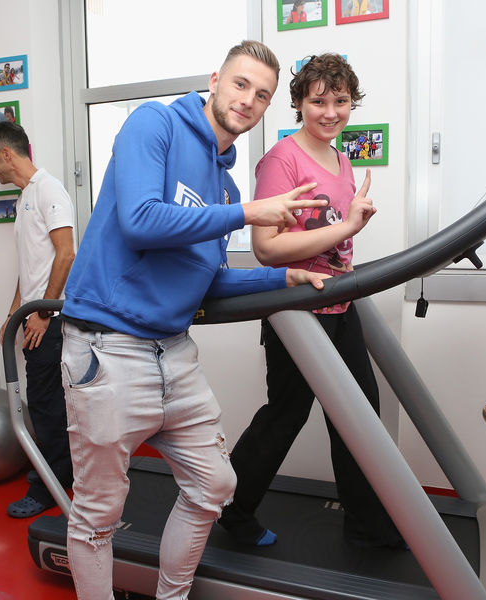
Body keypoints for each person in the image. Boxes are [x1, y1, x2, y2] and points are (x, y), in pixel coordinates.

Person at [59, 40, 331, 600]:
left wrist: (283, 279)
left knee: (215, 485)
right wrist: (248, 213)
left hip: (173, 351)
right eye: (240, 84)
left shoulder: (225, 186)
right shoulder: (154, 124)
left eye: (262, 95)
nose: (248, 100)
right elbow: (139, 221)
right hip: (108, 349)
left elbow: (204, 282)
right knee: (98, 513)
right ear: (214, 81)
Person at [218, 53, 406, 550]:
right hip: (295, 312)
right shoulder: (282, 160)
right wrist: (347, 227)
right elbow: (266, 248)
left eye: (340, 101)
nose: (330, 112)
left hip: (339, 304)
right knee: (286, 415)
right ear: (299, 103)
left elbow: (335, 237)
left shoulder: (343, 161)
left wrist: (351, 225)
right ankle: (232, 509)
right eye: (318, 101)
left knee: (360, 414)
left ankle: (367, 526)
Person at [0, 120, 76, 519]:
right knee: (47, 403)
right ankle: (58, 476)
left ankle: (47, 487)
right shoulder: (26, 198)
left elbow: (66, 253)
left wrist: (43, 312)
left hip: (50, 319)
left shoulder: (49, 189)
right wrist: (14, 315)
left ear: (7, 153)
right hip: (34, 316)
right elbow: (30, 267)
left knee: (45, 403)